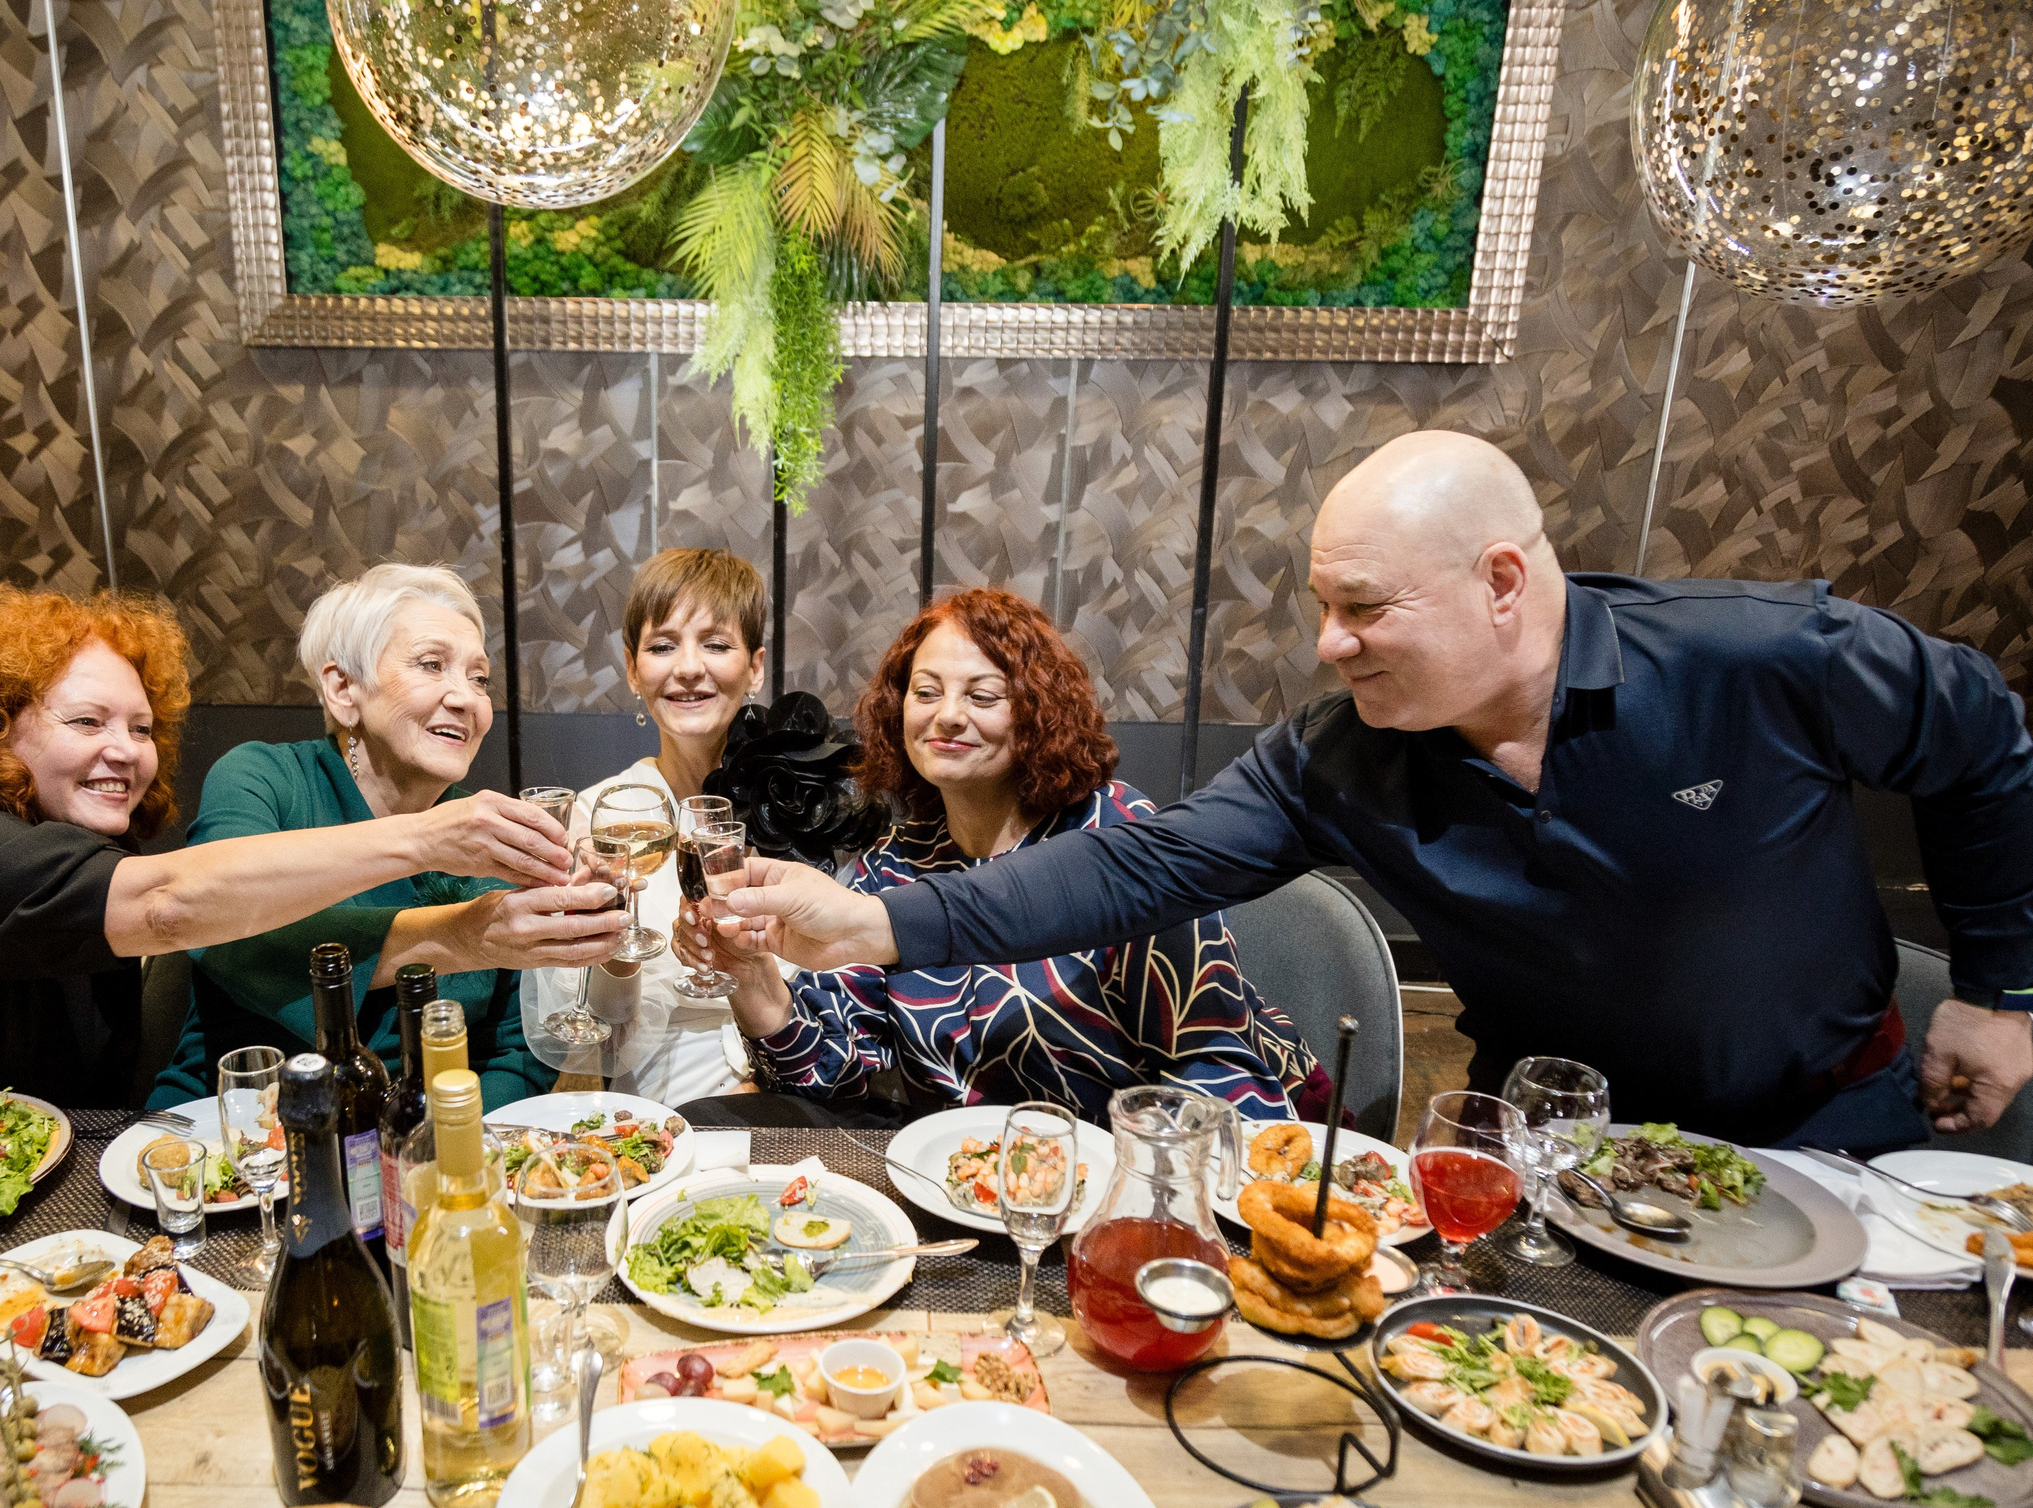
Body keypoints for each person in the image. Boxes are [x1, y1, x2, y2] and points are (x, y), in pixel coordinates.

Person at [714, 431, 2033, 1150]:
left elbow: (1988, 744)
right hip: (1548, 1143)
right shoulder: (1334, 754)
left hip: (1829, 1124)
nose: (1329, 643)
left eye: (1362, 608)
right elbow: (1135, 867)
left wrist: (2002, 985)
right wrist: (875, 924)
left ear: (1502, 581)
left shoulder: (1763, 656)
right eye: (1319, 606)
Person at [0, 587, 571, 1107]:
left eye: (141, 727)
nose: (126, 751)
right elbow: (185, 913)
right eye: (86, 721)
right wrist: (436, 866)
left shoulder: (86, 864)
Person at [671, 587, 1324, 1129]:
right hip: (972, 1186)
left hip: (1137, 1181)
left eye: (981, 696)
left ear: (1038, 713)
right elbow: (835, 1075)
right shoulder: (893, 866)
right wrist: (752, 975)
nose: (948, 716)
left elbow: (1211, 1064)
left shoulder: (1116, 837)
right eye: (926, 693)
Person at [152, 563, 625, 1112]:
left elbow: (513, 1054)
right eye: (432, 665)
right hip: (232, 1135)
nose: (467, 699)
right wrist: (465, 935)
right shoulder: (263, 779)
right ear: (343, 688)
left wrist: (447, 1149)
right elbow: (227, 925)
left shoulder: (487, 837)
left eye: (478, 677)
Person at [563, 547, 772, 1104]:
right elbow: (600, 1042)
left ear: (755, 667)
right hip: (665, 1115)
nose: (687, 668)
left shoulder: (801, 804)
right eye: (662, 646)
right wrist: (612, 940)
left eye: (716, 644)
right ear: (633, 670)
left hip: (803, 1102)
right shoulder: (600, 817)